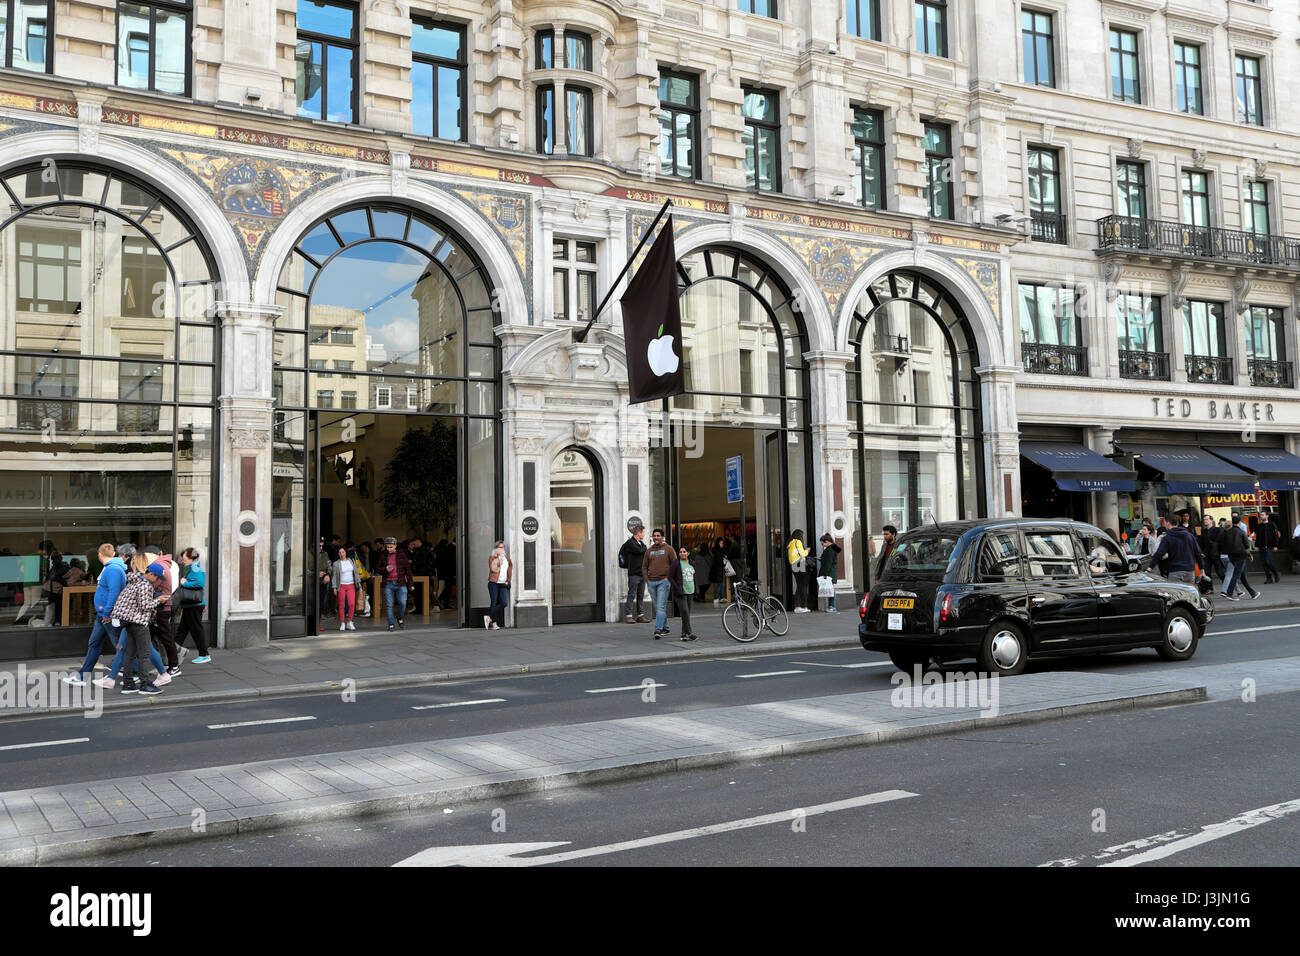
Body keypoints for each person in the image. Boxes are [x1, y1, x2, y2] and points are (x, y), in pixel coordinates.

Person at [64, 544, 124, 687]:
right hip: (103, 614)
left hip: (107, 615)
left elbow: (114, 592)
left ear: (99, 554)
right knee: (95, 644)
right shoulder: (111, 568)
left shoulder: (113, 569)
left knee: (121, 646)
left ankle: (136, 673)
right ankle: (81, 677)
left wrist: (108, 612)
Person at [111, 555, 167, 695]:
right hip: (138, 622)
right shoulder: (145, 585)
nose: (158, 581)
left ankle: (128, 684)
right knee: (144, 654)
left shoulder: (134, 581)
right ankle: (145, 684)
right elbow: (144, 606)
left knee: (130, 654)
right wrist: (158, 600)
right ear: (151, 574)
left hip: (129, 622)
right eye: (158, 577)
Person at [174, 547, 211, 662]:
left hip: (194, 605)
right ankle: (174, 652)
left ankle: (204, 654)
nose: (182, 558)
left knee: (196, 629)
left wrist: (185, 583)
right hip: (191, 604)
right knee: (183, 630)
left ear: (191, 558)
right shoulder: (191, 567)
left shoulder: (195, 567)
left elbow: (200, 583)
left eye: (185, 556)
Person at [1148, 514, 1203, 586]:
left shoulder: (1167, 537)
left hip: (1175, 571)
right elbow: (1198, 553)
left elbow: (1159, 553)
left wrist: (1150, 567)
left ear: (1167, 523)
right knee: (1188, 594)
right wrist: (1202, 569)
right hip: (1190, 571)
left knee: (1175, 594)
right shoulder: (1189, 535)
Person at [643, 529, 674, 640]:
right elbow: (644, 566)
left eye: (658, 535)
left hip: (663, 582)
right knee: (658, 607)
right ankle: (666, 628)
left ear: (662, 537)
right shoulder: (649, 551)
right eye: (654, 536)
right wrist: (647, 580)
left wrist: (667, 578)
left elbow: (675, 565)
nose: (655, 537)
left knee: (660, 607)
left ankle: (658, 629)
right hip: (651, 583)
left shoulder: (669, 549)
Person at [377, 536, 413, 631]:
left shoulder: (401, 555)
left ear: (395, 546)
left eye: (391, 547)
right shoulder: (383, 555)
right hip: (388, 584)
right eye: (387, 547)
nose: (389, 549)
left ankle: (399, 617)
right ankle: (391, 623)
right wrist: (385, 569)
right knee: (389, 605)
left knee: (403, 603)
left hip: (400, 583)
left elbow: (408, 570)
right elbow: (378, 569)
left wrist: (411, 584)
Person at [1221, 513, 1259, 601]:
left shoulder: (1227, 532)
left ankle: (1253, 593)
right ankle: (1229, 593)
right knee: (1236, 575)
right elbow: (1246, 545)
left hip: (1231, 556)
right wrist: (1249, 555)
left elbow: (1224, 544)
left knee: (1242, 575)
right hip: (1241, 556)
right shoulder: (1242, 532)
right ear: (1239, 523)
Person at [619, 525, 648, 624]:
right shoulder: (630, 543)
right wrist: (644, 549)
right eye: (643, 532)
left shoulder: (640, 543)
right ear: (638, 533)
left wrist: (644, 548)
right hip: (634, 573)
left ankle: (640, 616)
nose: (644, 534)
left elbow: (644, 548)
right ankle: (629, 616)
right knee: (631, 595)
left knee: (640, 595)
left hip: (641, 574)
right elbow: (640, 550)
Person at [668, 545, 697, 641]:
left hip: (690, 591)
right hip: (680, 592)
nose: (682, 553)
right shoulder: (676, 563)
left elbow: (694, 577)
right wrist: (677, 588)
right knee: (684, 611)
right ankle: (689, 632)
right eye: (680, 552)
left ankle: (683, 634)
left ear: (688, 553)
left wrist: (696, 589)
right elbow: (670, 577)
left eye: (684, 551)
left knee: (686, 613)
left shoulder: (692, 563)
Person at [331, 545, 361, 631]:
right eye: (340, 553)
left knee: (351, 604)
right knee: (341, 605)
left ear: (345, 552)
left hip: (351, 585)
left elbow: (355, 572)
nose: (341, 554)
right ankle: (342, 623)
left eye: (343, 552)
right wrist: (334, 587)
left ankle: (350, 622)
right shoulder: (336, 564)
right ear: (338, 554)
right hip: (341, 586)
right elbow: (334, 577)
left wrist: (358, 582)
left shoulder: (351, 561)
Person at [486, 540, 511, 629]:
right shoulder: (492, 558)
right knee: (494, 603)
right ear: (496, 548)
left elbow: (510, 568)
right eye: (500, 547)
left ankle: (489, 617)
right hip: (493, 583)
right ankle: (494, 624)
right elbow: (494, 569)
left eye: (503, 547)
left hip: (503, 584)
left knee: (504, 603)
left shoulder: (507, 558)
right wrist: (499, 560)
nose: (502, 549)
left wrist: (508, 580)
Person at [787, 530, 811, 613]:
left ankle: (797, 606)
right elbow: (802, 554)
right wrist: (807, 551)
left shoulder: (790, 543)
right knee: (804, 585)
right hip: (800, 564)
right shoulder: (798, 542)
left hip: (793, 565)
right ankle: (804, 606)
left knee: (799, 585)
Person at [817, 533, 841, 612]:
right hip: (831, 572)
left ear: (827, 541)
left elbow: (828, 563)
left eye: (822, 543)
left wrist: (825, 574)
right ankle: (831, 606)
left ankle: (832, 606)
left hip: (829, 573)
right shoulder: (832, 548)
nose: (822, 545)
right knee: (830, 589)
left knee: (831, 590)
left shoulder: (830, 549)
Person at [1256, 512, 1281, 584]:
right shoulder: (1259, 525)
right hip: (1262, 546)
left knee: (1268, 561)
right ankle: (1269, 578)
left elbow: (1276, 535)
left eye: (1262, 515)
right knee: (1264, 563)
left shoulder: (1272, 524)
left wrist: (1275, 545)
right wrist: (1257, 545)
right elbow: (1258, 536)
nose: (1261, 516)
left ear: (1267, 516)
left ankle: (1276, 573)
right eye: (1260, 515)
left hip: (1270, 546)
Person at [434, 537, 456, 610]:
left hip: (445, 572)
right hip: (449, 572)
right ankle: (440, 600)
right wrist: (454, 572)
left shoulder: (446, 548)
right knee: (447, 587)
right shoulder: (451, 549)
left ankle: (444, 603)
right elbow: (451, 562)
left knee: (447, 587)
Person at [709, 537, 726, 604]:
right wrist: (723, 563)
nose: (722, 544)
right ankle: (717, 597)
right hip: (718, 570)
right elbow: (718, 561)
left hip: (720, 569)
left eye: (722, 543)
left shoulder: (719, 550)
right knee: (720, 583)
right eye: (721, 543)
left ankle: (721, 597)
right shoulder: (717, 551)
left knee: (722, 583)